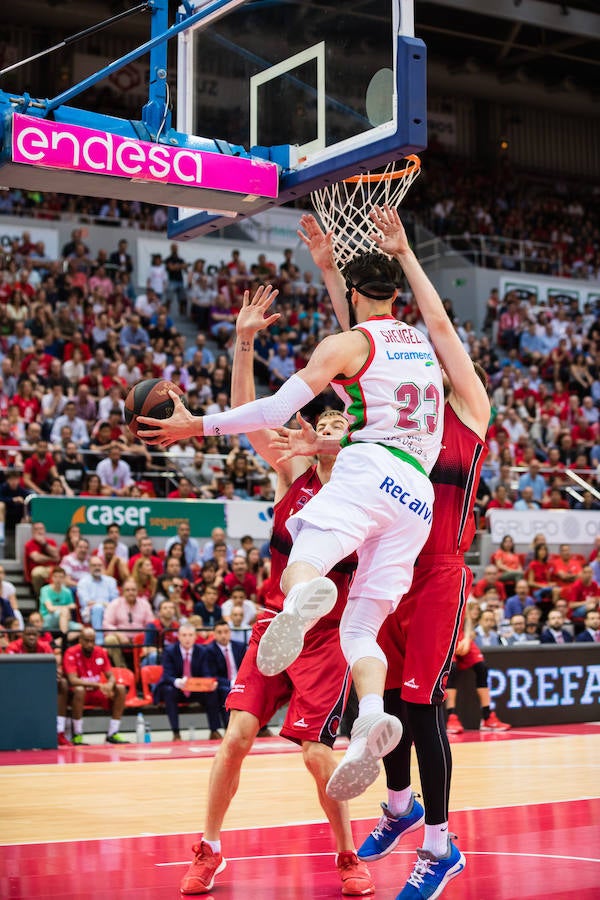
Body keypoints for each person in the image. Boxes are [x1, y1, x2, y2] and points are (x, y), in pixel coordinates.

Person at [139, 251, 445, 802]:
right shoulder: (419, 345)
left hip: (373, 474)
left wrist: (196, 427)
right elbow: (367, 341)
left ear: (354, 295)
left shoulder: (346, 353)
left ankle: (303, 595)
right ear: (396, 295)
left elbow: (280, 402)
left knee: (303, 560)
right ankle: (372, 718)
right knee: (364, 628)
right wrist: (330, 274)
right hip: (417, 497)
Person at [293, 207, 488, 896]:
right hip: (389, 564)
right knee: (381, 707)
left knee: (423, 705)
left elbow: (435, 329)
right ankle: (401, 809)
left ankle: (441, 848)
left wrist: (405, 256)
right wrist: (332, 279)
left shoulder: (467, 409)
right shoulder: (401, 413)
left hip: (437, 573)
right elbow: (361, 347)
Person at [179, 288, 374, 897]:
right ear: (314, 429)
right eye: (328, 420)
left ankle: (347, 855)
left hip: (327, 639)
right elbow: (250, 411)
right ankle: (208, 849)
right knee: (235, 737)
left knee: (317, 755)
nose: (335, 426)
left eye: (345, 421)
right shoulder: (293, 471)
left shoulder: (368, 491)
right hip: (274, 623)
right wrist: (244, 342)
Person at [153, 622, 223, 741]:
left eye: (190, 635)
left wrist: (208, 683)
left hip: (196, 688)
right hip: (177, 688)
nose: (187, 638)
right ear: (179, 637)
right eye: (184, 635)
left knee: (213, 691)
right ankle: (176, 732)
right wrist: (178, 682)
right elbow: (167, 675)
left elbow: (206, 673)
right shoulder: (170, 651)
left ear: (195, 637)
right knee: (168, 691)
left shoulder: (202, 651)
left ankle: (214, 730)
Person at [62, 626, 129, 744]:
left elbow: (111, 675)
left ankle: (113, 733)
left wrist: (110, 684)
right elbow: (72, 680)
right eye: (86, 641)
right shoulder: (71, 652)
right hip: (77, 695)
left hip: (96, 693)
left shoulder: (101, 652)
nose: (90, 644)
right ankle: (77, 734)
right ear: (80, 640)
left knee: (120, 688)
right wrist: (98, 685)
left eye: (92, 641)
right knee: (79, 690)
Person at [200, 619, 247, 733]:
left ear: (230, 632)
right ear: (214, 634)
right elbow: (209, 674)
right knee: (224, 691)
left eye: (226, 632)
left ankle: (261, 728)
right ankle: (228, 729)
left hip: (241, 682)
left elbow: (248, 668)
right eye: (220, 632)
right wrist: (231, 683)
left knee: (257, 689)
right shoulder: (208, 650)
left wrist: (240, 682)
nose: (223, 635)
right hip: (223, 684)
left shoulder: (240, 647)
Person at [103, 578, 154, 667]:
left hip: (140, 639)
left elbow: (150, 624)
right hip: (121, 639)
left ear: (137, 591)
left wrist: (140, 636)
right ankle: (122, 668)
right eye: (128, 590)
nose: (131, 592)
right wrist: (118, 634)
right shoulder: (115, 604)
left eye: (133, 590)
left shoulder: (145, 604)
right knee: (110, 640)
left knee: (151, 639)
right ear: (122, 592)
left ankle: (142, 670)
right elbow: (106, 624)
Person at [76, 556, 119, 641]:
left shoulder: (111, 581)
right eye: (94, 565)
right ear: (89, 567)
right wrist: (103, 604)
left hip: (109, 609)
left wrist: (107, 606)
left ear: (103, 566)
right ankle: (99, 641)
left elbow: (116, 601)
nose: (97, 568)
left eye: (99, 565)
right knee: (98, 608)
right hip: (90, 612)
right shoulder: (83, 582)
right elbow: (86, 602)